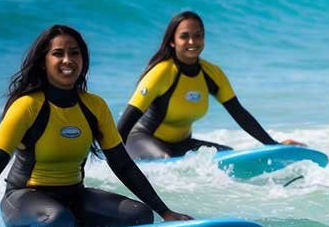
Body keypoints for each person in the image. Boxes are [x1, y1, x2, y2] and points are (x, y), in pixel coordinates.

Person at [0, 25, 190, 227]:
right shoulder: (27, 106)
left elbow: (122, 164)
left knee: (139, 215)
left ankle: (69, 220)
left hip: (74, 196)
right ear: (43, 62)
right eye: (58, 53)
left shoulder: (94, 106)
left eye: (74, 53)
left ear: (83, 59)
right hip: (23, 199)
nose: (68, 60)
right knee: (57, 219)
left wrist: (164, 212)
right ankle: (63, 220)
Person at [116, 11, 301, 159]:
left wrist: (274, 145)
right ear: (172, 42)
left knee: (227, 154)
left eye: (198, 36)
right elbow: (126, 122)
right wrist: (112, 159)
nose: (192, 42)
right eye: (184, 36)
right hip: (141, 140)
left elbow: (239, 114)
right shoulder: (161, 73)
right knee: (165, 157)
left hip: (182, 143)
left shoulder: (211, 73)